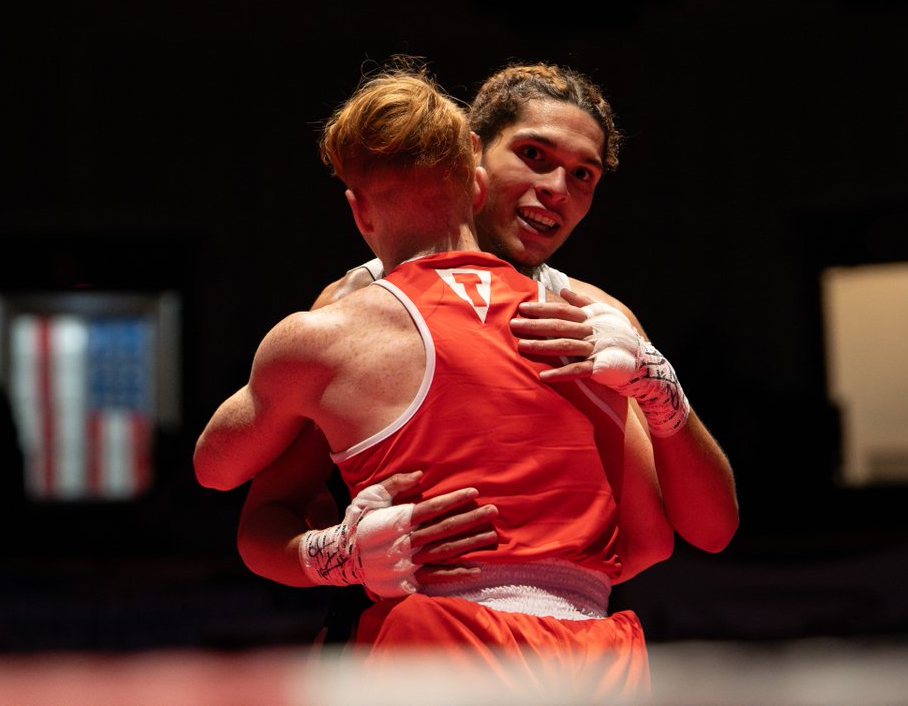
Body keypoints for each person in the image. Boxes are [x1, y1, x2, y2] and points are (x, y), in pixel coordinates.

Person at [194, 65, 676, 695]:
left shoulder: (334, 329)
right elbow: (652, 542)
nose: (554, 187)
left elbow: (215, 470)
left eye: (580, 172)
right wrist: (664, 392)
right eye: (532, 156)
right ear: (477, 185)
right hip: (595, 649)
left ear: (358, 210)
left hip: (427, 632)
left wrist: (339, 555)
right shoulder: (591, 324)